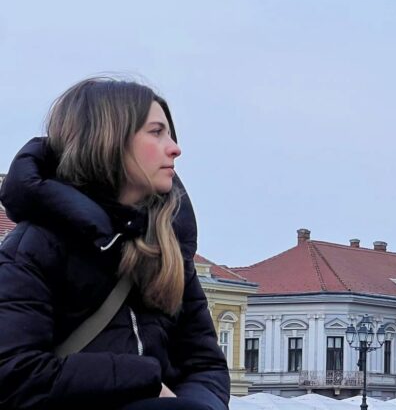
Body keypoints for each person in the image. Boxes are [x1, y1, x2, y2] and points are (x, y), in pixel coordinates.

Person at [0, 78, 228, 410]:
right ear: (109, 141)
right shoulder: (36, 246)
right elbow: (13, 374)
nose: (175, 147)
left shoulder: (168, 247)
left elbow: (205, 365)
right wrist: (144, 378)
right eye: (156, 132)